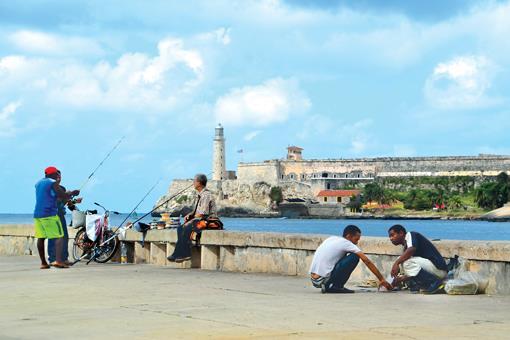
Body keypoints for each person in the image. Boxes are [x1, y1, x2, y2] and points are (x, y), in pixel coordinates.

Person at [309, 225, 392, 293]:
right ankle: (337, 286)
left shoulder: (331, 239)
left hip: (314, 279)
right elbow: (366, 261)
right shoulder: (347, 243)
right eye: (356, 239)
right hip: (322, 279)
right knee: (354, 256)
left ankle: (330, 285)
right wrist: (381, 279)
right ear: (348, 236)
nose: (356, 243)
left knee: (345, 255)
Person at [34, 166, 79, 269]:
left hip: (38, 214)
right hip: (50, 213)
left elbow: (52, 196)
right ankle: (58, 261)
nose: (58, 176)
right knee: (59, 236)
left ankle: (44, 263)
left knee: (41, 238)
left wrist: (70, 198)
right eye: (57, 174)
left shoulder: (39, 183)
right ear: (54, 174)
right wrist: (72, 193)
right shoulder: (52, 182)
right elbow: (61, 195)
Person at [167, 174, 217, 263]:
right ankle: (179, 253)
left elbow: (203, 214)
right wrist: (190, 215)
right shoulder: (200, 195)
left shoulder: (206, 195)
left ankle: (185, 254)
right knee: (180, 228)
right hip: (200, 219)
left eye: (194, 181)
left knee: (186, 227)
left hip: (208, 221)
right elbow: (197, 211)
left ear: (199, 183)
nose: (193, 183)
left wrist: (191, 221)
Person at [388, 224, 447, 293]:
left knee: (405, 261)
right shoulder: (406, 246)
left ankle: (434, 283)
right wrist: (400, 279)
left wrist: (396, 263)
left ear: (401, 233)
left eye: (392, 235)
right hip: (433, 271)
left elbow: (412, 249)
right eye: (390, 236)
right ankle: (424, 285)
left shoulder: (411, 235)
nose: (391, 238)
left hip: (438, 268)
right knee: (403, 260)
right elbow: (414, 271)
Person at [47, 170, 82, 266]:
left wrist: (75, 201)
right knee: (53, 237)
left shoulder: (62, 188)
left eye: (60, 177)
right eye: (56, 177)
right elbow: (58, 199)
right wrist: (70, 193)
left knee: (64, 237)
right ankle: (52, 259)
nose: (59, 178)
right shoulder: (50, 188)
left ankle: (64, 258)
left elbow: (66, 202)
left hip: (60, 214)